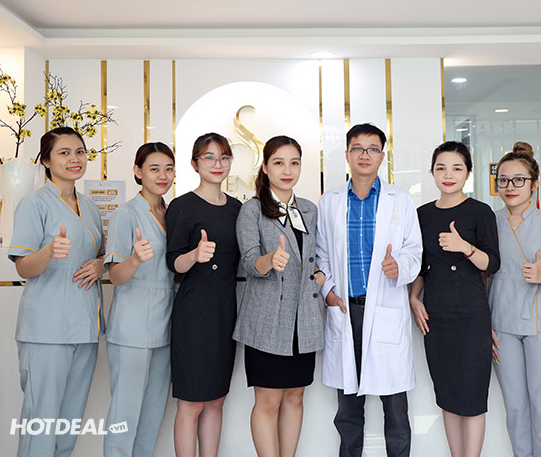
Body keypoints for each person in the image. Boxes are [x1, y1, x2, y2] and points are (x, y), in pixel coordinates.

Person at [316, 123, 422, 457]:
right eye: (358, 148)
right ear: (347, 154)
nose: (365, 155)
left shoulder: (400, 200)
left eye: (372, 149)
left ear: (382, 155)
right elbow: (321, 254)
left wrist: (399, 267)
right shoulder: (330, 202)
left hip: (386, 308)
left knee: (395, 407)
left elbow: (414, 251)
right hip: (345, 309)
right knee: (348, 409)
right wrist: (329, 291)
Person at [8, 127, 106, 457]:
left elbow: (99, 256)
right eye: (64, 152)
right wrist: (49, 251)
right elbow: (23, 267)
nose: (75, 159)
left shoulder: (90, 207)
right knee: (42, 422)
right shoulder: (34, 204)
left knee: (68, 425)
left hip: (84, 328)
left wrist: (101, 264)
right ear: (47, 161)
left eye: (80, 151)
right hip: (46, 331)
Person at [234, 135, 325, 457]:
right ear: (265, 167)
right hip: (267, 320)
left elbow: (317, 258)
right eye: (279, 162)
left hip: (304, 319)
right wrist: (270, 260)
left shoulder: (309, 209)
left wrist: (321, 275)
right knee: (268, 400)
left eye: (294, 163)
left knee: (296, 396)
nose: (287, 170)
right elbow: (249, 262)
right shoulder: (252, 209)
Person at [409, 140, 500, 457]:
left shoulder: (480, 212)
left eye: (457, 168)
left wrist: (465, 247)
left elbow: (492, 263)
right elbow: (421, 268)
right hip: (437, 315)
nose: (449, 175)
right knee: (447, 395)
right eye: (441, 168)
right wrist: (413, 298)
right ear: (433, 173)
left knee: (473, 398)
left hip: (471, 314)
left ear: (467, 173)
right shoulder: (421, 215)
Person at [489, 142, 541, 457]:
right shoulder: (490, 222)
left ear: (534, 184)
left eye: (519, 180)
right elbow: (482, 277)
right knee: (515, 408)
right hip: (502, 321)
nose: (510, 187)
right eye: (504, 180)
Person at [165, 133, 242, 457]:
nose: (217, 164)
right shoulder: (182, 206)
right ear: (194, 163)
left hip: (225, 310)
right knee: (192, 403)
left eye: (224, 157)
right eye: (208, 157)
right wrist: (195, 255)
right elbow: (173, 262)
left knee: (216, 399)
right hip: (194, 313)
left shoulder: (238, 208)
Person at [103, 142, 176, 457]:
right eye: (154, 168)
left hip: (165, 325)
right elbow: (115, 276)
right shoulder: (126, 214)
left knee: (152, 415)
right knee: (125, 414)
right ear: (138, 171)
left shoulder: (173, 214)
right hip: (132, 328)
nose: (163, 176)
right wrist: (134, 259)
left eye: (169, 169)